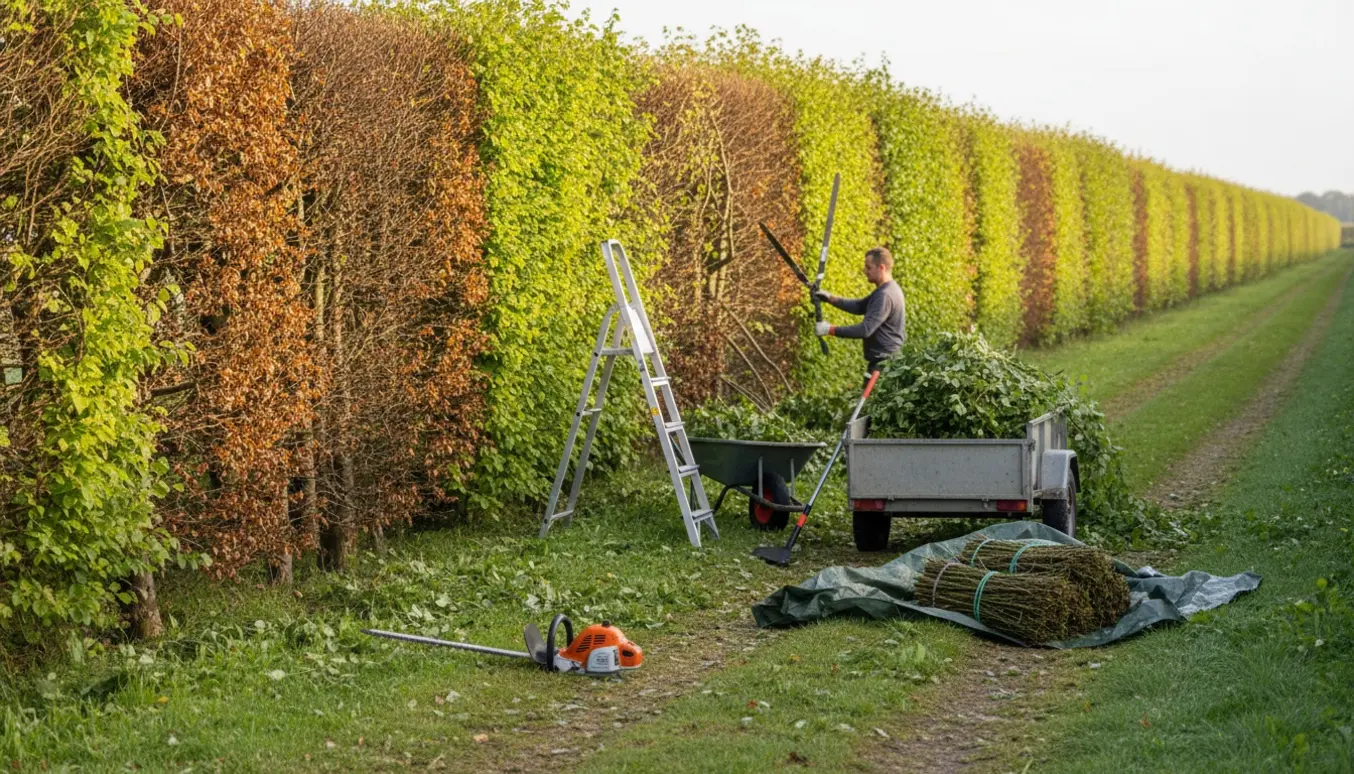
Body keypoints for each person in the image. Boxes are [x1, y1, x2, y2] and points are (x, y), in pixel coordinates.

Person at [812, 246, 906, 374]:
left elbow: (865, 330)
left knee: (871, 395)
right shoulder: (886, 290)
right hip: (883, 363)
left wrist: (830, 329)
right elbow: (859, 306)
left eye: (868, 267)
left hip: (884, 366)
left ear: (881, 268)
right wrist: (830, 298)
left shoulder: (885, 295)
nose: (865, 271)